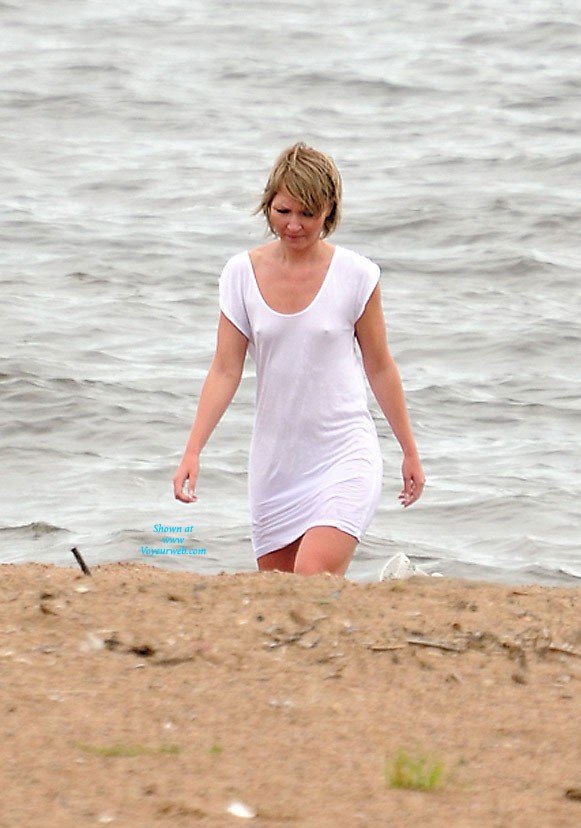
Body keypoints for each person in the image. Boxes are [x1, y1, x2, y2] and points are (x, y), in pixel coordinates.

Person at [173, 142, 424, 576]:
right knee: (277, 595)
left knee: (312, 577)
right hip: (275, 464)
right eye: (283, 211)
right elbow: (225, 369)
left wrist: (409, 452)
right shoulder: (240, 275)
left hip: (345, 452)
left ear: (329, 211)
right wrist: (193, 451)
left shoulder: (358, 276)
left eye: (307, 214)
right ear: (268, 204)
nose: (293, 226)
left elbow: (380, 366)